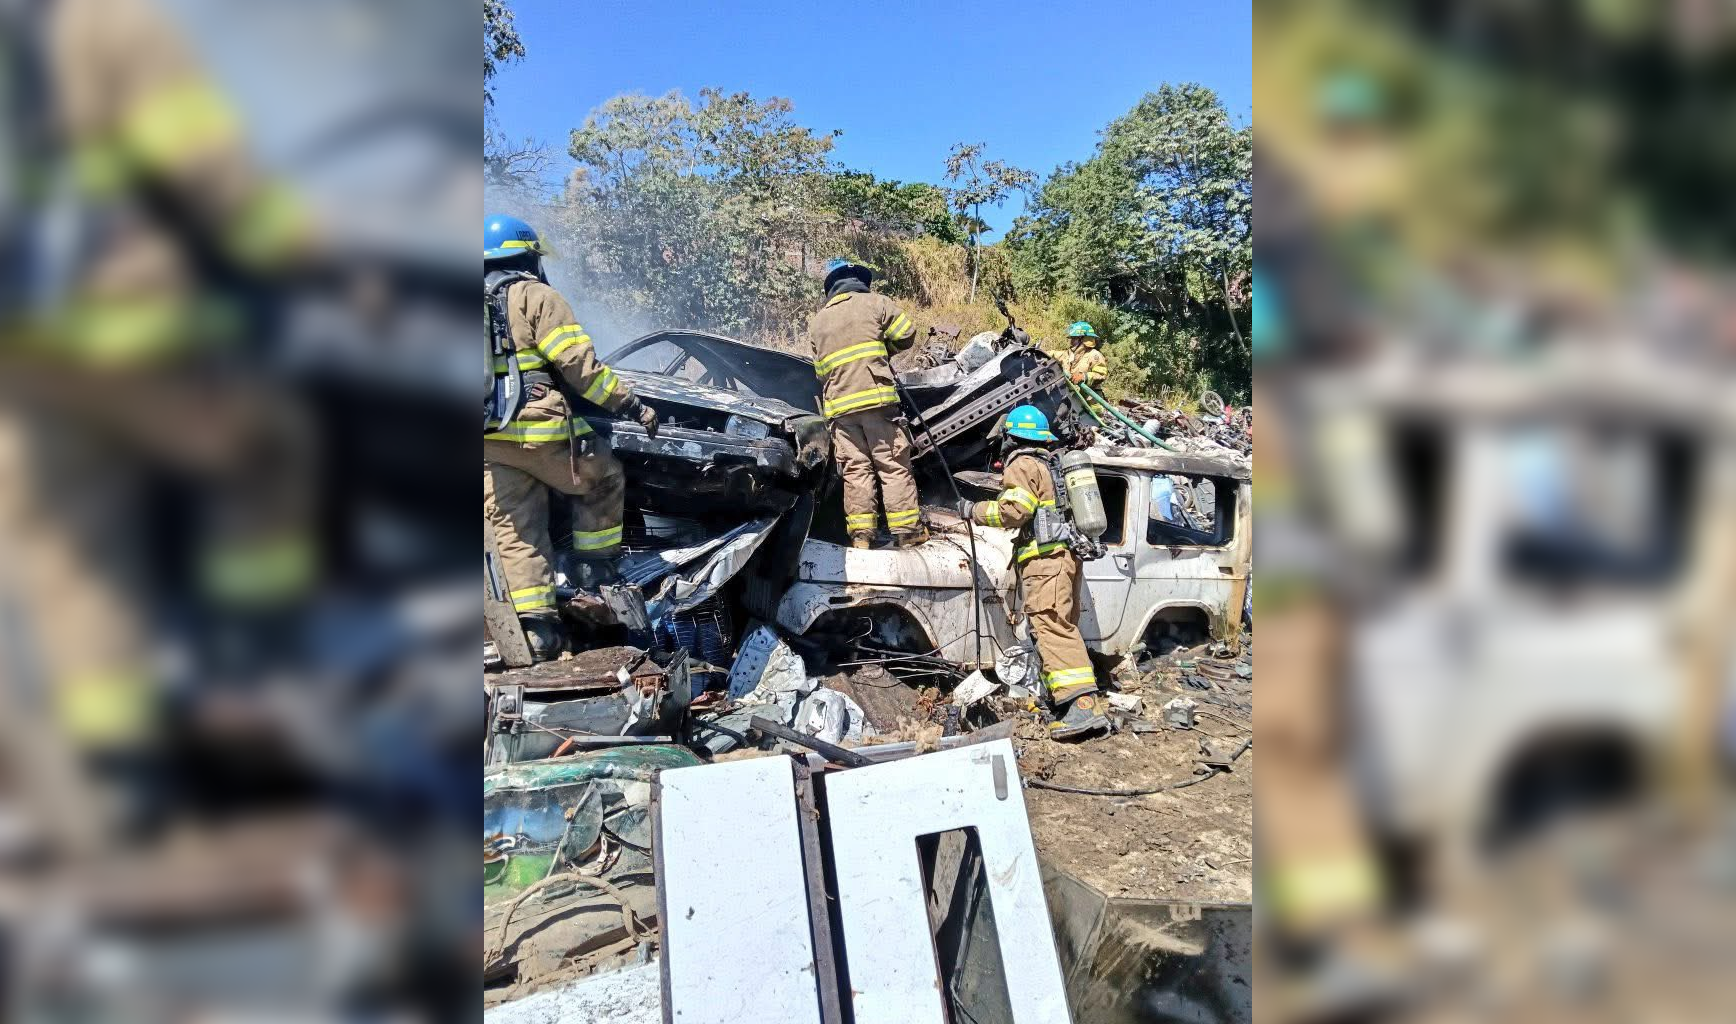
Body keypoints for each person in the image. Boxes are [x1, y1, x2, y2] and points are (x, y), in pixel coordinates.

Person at [483, 214, 658, 660]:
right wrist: (630, 406)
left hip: (488, 441)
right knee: (604, 478)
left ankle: (538, 632)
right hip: (541, 431)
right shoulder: (535, 296)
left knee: (517, 533)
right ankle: (593, 569)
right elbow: (580, 368)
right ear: (526, 256)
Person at [956, 405, 1108, 739]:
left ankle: (1082, 706)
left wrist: (973, 510)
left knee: (1051, 625)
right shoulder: (1049, 464)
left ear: (1012, 436)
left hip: (1046, 563)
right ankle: (1070, 702)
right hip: (1063, 560)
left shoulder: (1023, 464)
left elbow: (1014, 512)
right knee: (1059, 625)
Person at [807, 258, 925, 549]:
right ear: (859, 280)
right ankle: (907, 532)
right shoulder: (876, 303)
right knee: (892, 464)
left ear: (831, 286)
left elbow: (820, 372)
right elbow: (906, 333)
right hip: (877, 401)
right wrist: (884, 350)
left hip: (841, 410)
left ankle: (861, 537)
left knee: (855, 470)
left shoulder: (818, 321)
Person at [1057, 321, 1107, 388]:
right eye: (1071, 338)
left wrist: (1083, 377)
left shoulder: (1094, 355)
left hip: (1088, 397)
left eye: (1074, 338)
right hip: (1071, 396)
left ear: (1084, 339)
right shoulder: (1069, 354)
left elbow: (1101, 374)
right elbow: (1054, 354)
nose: (1071, 342)